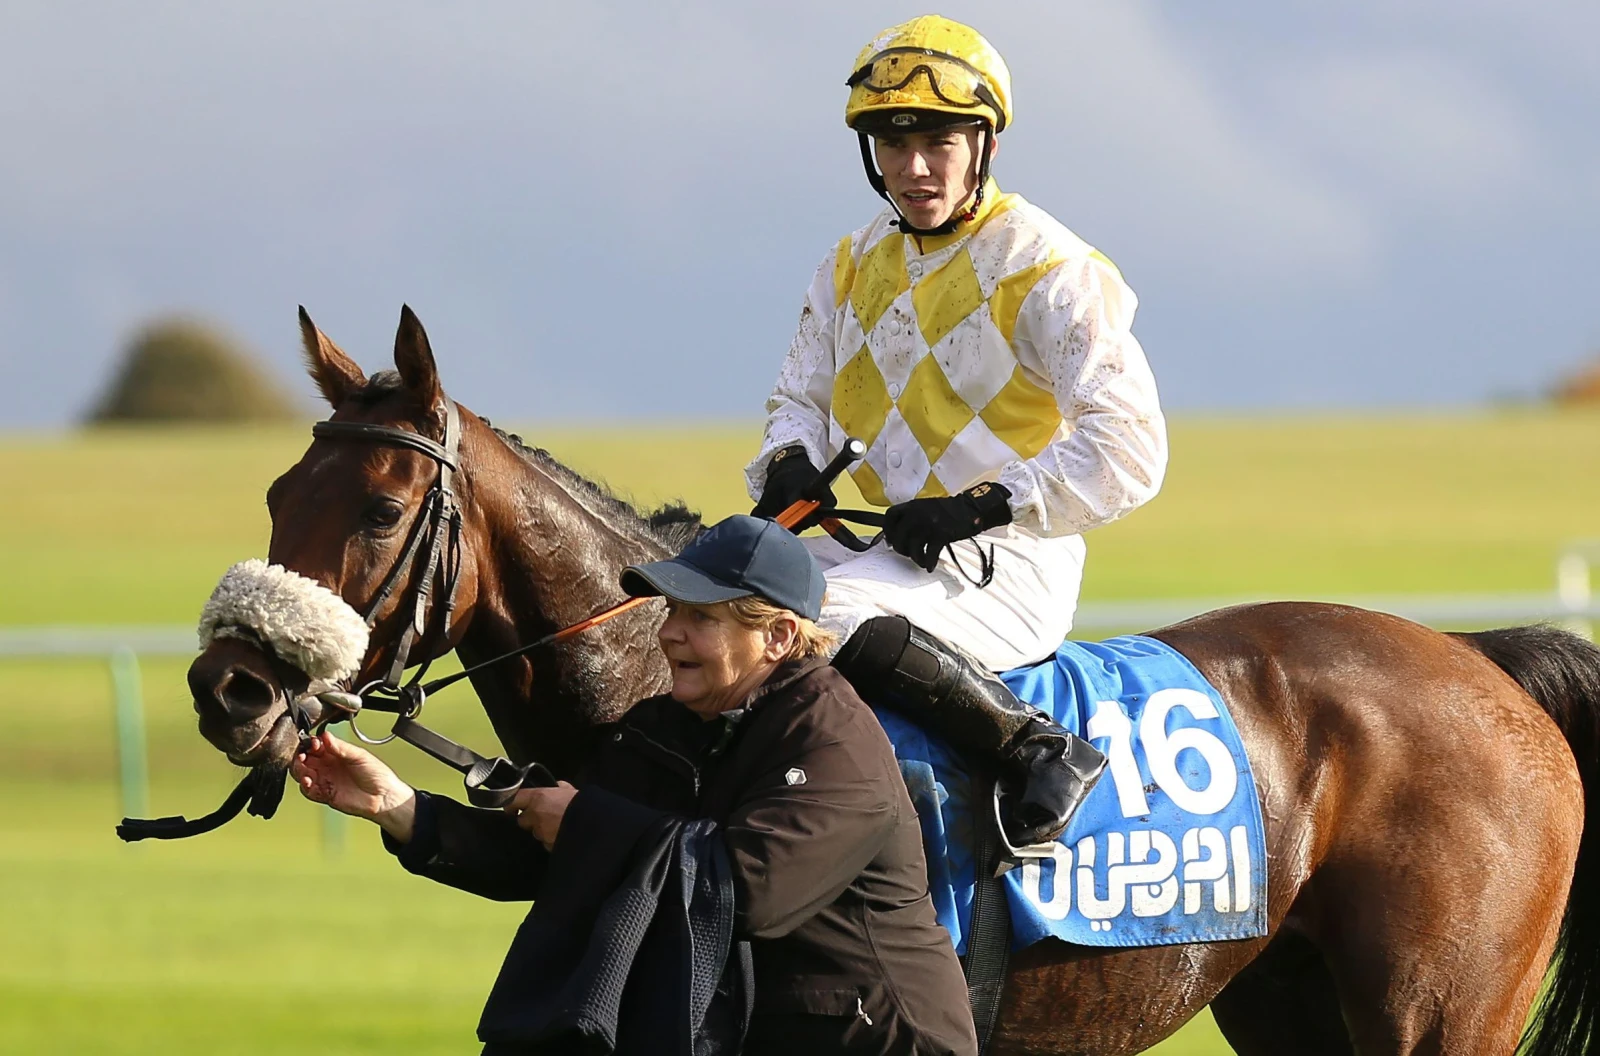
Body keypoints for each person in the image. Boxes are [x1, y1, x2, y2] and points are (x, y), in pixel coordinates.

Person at [293, 515, 978, 1056]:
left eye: (702, 618)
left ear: (777, 638)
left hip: (881, 1040)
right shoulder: (664, 725)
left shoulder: (836, 742)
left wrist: (584, 821)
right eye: (671, 611)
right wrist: (400, 808)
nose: (671, 634)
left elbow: (752, 891)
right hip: (761, 1030)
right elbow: (556, 853)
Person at [747, 15, 1168, 849]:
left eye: (938, 141)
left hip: (1004, 562)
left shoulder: (1050, 268)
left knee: (813, 620)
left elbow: (1129, 448)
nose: (913, 168)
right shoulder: (849, 262)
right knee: (708, 591)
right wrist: (789, 461)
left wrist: (977, 507)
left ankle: (1035, 746)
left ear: (986, 145)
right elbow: (795, 399)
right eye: (891, 144)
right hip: (874, 546)